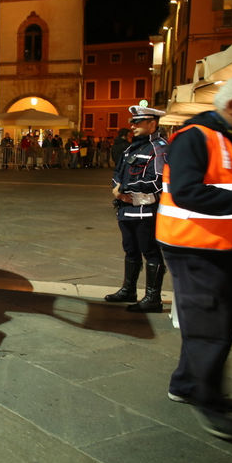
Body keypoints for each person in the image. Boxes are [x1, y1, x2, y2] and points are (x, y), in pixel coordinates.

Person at [155, 73, 232, 440]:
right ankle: (208, 401)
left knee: (211, 322)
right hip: (194, 245)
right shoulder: (195, 137)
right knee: (213, 328)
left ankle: (185, 384)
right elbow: (186, 193)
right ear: (230, 106)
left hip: (222, 245)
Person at [105, 106, 168, 312]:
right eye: (133, 123)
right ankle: (128, 290)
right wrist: (117, 188)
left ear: (152, 124)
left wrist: (126, 189)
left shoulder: (158, 148)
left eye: (138, 123)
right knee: (130, 250)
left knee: (150, 252)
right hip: (125, 209)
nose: (133, 126)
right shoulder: (130, 148)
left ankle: (153, 298)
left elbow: (158, 181)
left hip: (145, 210)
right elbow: (118, 172)